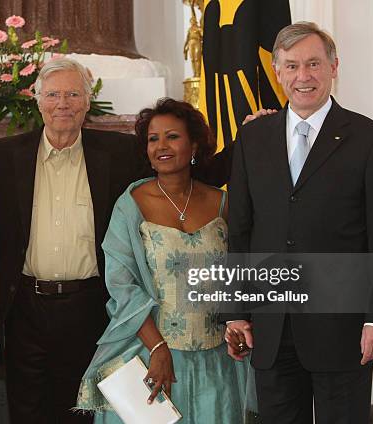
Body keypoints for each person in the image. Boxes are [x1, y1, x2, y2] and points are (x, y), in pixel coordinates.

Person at [0, 58, 236, 424]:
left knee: (80, 412)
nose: (63, 104)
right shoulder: (2, 158)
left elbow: (179, 166)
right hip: (24, 309)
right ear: (37, 101)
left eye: (73, 94)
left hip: (89, 307)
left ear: (88, 102)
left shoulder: (119, 153)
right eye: (53, 95)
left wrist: (246, 145)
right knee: (25, 413)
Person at [225, 22, 373, 423]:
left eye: (313, 64)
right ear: (277, 72)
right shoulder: (253, 140)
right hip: (272, 329)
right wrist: (236, 312)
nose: (302, 76)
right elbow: (239, 231)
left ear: (334, 66)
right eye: (291, 66)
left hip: (344, 328)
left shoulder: (371, 138)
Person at [76, 98, 256, 423]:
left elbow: (241, 275)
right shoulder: (131, 204)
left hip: (217, 364)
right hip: (151, 358)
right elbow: (121, 285)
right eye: (153, 138)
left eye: (172, 136)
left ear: (194, 144)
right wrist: (158, 349)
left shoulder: (224, 204)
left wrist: (238, 325)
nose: (161, 146)